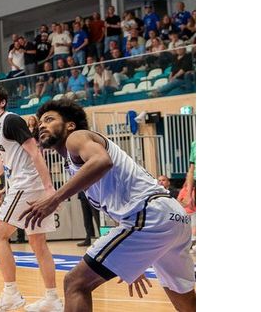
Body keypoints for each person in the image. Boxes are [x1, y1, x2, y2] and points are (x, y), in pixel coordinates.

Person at [25, 100, 195, 311]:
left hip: (149, 216)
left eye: (49, 119)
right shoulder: (74, 162)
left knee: (75, 283)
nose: (42, 125)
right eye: (40, 122)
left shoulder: (76, 138)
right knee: (184, 299)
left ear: (70, 125)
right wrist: (133, 258)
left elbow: (102, 161)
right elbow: (118, 204)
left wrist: (54, 198)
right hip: (172, 217)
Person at [0, 84, 62, 312]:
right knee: (38, 243)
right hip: (30, 186)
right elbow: (2, 161)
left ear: (2, 102)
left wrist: (49, 188)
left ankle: (11, 295)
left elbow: (35, 151)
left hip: (26, 185)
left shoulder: (10, 120)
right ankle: (52, 298)